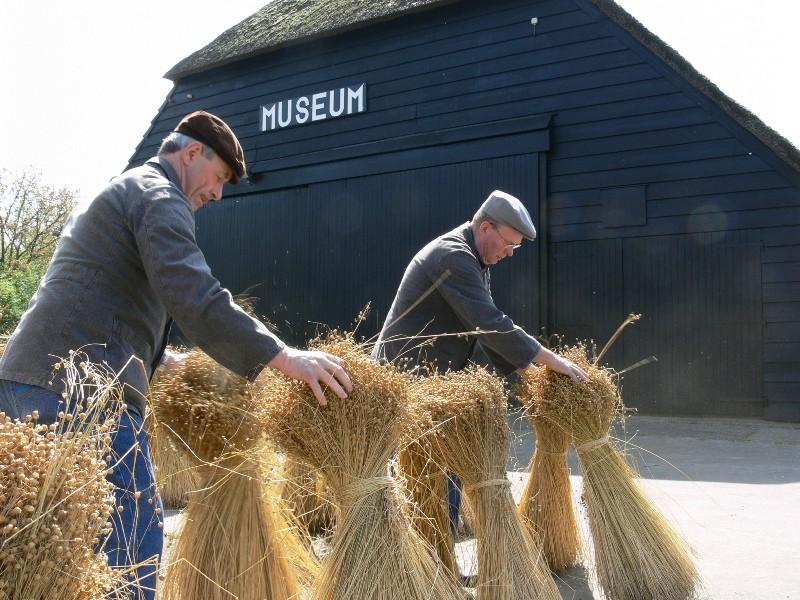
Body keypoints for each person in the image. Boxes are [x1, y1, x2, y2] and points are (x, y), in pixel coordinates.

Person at [0, 111, 352, 600]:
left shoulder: (126, 191)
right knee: (130, 541)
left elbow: (97, 295)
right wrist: (284, 357)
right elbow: (195, 295)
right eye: (220, 177)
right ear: (190, 155)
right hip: (79, 394)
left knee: (50, 556)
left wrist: (162, 362)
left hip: (30, 382)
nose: (218, 193)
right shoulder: (160, 195)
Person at [372, 189, 587, 561]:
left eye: (515, 248)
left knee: (442, 467)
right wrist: (554, 362)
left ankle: (433, 556)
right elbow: (490, 323)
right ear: (486, 227)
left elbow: (479, 327)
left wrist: (526, 373)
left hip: (433, 380)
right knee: (420, 471)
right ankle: (417, 561)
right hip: (405, 377)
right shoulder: (452, 256)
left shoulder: (475, 260)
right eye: (508, 243)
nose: (509, 253)